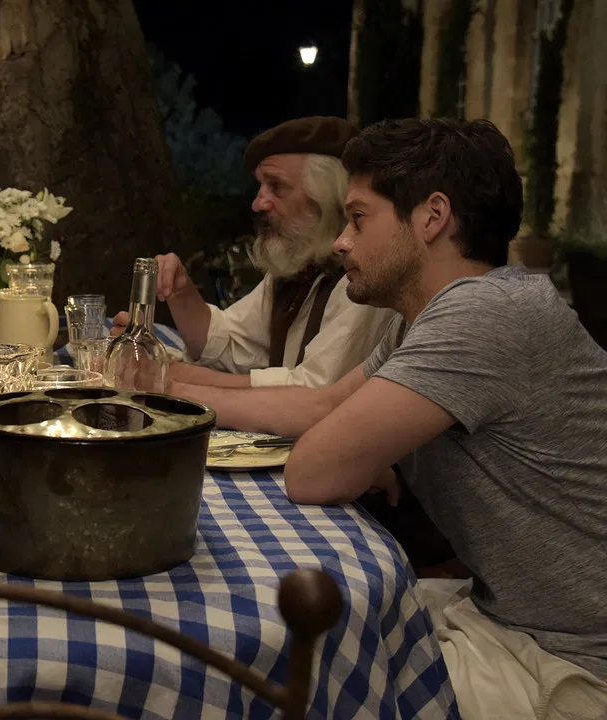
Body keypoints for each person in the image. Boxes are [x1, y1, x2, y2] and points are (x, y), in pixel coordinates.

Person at [265, 117, 607, 718]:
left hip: (570, 664)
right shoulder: (429, 318)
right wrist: (172, 389)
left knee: (302, 673)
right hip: (506, 618)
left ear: (432, 217)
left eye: (359, 218)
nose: (341, 241)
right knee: (317, 631)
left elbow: (312, 472)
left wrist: (370, 453)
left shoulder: (485, 313)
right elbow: (325, 406)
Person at [113, 116, 395, 389]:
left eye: (276, 186)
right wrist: (181, 291)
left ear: (326, 196)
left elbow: (312, 392)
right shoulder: (298, 267)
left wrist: (174, 374)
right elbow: (232, 346)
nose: (258, 203)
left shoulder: (363, 279)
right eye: (260, 186)